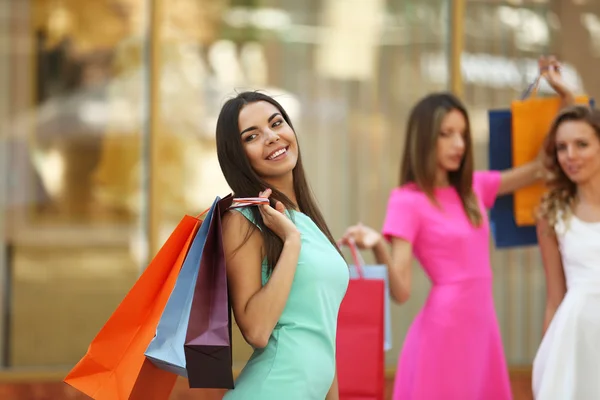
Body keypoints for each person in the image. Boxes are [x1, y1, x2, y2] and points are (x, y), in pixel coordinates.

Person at [340, 57, 574, 399]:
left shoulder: (475, 188)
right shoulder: (407, 200)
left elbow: (543, 164)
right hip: (442, 332)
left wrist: (564, 98)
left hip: (482, 329)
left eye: (462, 134)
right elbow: (402, 292)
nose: (459, 144)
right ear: (424, 138)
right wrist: (379, 245)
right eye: (446, 134)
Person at [215, 91, 349, 399]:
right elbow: (257, 331)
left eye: (277, 123)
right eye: (252, 136)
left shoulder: (303, 218)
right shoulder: (243, 220)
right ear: (238, 155)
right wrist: (291, 242)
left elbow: (323, 333)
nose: (272, 137)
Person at [532, 105, 600, 399]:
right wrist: (547, 360)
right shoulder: (551, 213)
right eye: (562, 147)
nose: (570, 155)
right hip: (575, 339)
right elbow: (555, 297)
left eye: (581, 144)